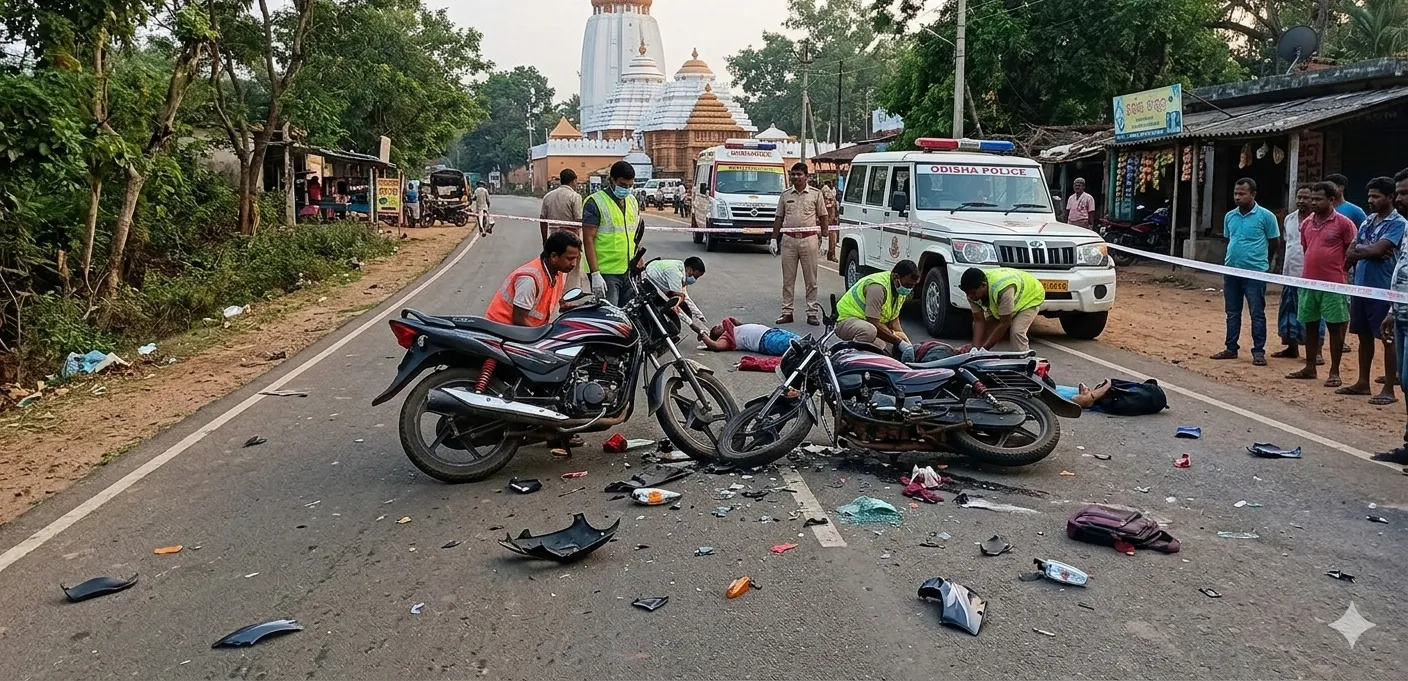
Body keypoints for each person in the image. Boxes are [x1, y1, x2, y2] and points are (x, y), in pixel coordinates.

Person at [1287, 181, 1357, 386]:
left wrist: (1341, 271)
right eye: (1313, 199)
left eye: (1318, 199)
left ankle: (1334, 372)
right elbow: (1306, 248)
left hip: (1333, 285)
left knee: (1335, 328)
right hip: (1309, 283)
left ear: (1331, 200)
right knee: (1310, 325)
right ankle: (1310, 367)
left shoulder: (1344, 223)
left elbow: (1351, 250)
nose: (1314, 203)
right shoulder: (1307, 223)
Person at [1341, 176, 1404, 404]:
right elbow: (1350, 252)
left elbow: (1379, 250)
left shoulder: (1398, 224)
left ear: (1390, 197)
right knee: (1364, 336)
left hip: (1384, 289)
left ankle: (1389, 388)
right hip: (1361, 286)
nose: (1370, 200)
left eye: (1376, 196)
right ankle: (1363, 382)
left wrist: (1365, 249)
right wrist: (1367, 249)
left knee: (1387, 338)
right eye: (1369, 196)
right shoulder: (1368, 221)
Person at [1212, 178, 1282, 366]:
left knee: (1256, 312)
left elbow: (1274, 242)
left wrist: (1265, 263)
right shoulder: (1230, 216)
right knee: (1232, 312)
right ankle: (1230, 348)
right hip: (1231, 271)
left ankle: (1258, 351)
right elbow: (1229, 239)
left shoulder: (1266, 217)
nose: (1237, 197)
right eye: (1235, 193)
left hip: (1255, 273)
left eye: (1242, 194)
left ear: (1253, 194)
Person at [1372, 167, 1408, 465]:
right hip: (1401, 315)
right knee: (1406, 381)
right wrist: (1392, 310)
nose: (1400, 199)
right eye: (1399, 193)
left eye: (1405, 193)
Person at [484, 231, 582, 327]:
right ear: (553, 257)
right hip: (500, 329)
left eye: (576, 258)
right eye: (570, 259)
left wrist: (565, 306)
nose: (574, 264)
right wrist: (542, 335)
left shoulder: (559, 271)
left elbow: (548, 299)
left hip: (523, 330)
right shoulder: (529, 280)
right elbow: (519, 319)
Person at [772, 162, 830, 326]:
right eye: (793, 174)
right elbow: (779, 218)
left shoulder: (815, 194)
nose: (796, 177)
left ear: (806, 176)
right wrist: (773, 239)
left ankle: (812, 313)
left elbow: (824, 217)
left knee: (811, 279)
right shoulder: (785, 195)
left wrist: (825, 239)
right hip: (789, 240)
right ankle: (787, 312)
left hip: (809, 239)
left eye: (799, 174)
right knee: (788, 280)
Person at [582, 160, 645, 307]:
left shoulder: (632, 201)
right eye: (623, 185)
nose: (626, 189)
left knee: (630, 313)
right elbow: (588, 238)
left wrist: (639, 257)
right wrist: (595, 274)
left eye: (630, 185)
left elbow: (634, 233)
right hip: (605, 272)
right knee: (610, 315)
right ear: (612, 180)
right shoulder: (595, 202)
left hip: (628, 269)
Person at [1274, 186, 1325, 363]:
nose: (1301, 201)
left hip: (1311, 276)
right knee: (1289, 312)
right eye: (1299, 197)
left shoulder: (1318, 221)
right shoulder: (1289, 219)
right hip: (1290, 273)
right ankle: (1291, 347)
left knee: (1313, 314)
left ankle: (1317, 352)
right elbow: (1287, 244)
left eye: (1306, 198)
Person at [835, 259, 921, 359]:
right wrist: (898, 342)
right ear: (895, 277)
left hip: (865, 322)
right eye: (908, 285)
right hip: (845, 320)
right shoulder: (877, 287)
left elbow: (894, 322)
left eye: (912, 286)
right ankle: (850, 359)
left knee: (884, 348)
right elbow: (873, 322)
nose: (909, 289)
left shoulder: (899, 289)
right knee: (869, 332)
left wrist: (906, 342)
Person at [960, 266, 1046, 351]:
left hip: (1031, 296)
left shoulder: (1003, 290)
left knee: (1016, 331)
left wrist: (985, 349)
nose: (970, 296)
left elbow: (1005, 323)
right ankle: (974, 350)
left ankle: (1023, 357)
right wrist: (975, 349)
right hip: (1008, 297)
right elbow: (979, 320)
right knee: (986, 330)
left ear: (983, 285)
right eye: (967, 293)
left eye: (973, 293)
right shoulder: (972, 291)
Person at [541, 169, 586, 292]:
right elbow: (578, 220)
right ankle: (569, 294)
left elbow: (542, 220)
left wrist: (545, 240)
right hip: (571, 242)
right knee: (572, 271)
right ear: (574, 181)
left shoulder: (548, 196)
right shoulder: (575, 197)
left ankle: (554, 292)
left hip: (553, 239)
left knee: (554, 267)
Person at [644, 256, 707, 324]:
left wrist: (699, 314)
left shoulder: (679, 266)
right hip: (647, 285)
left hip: (652, 278)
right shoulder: (676, 274)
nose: (694, 280)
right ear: (689, 270)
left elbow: (685, 297)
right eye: (695, 277)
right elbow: (676, 301)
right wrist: (691, 323)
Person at [698, 317, 799, 356]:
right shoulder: (727, 339)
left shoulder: (735, 329)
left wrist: (731, 322)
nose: (719, 326)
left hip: (771, 332)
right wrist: (703, 334)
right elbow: (715, 346)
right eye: (716, 329)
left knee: (801, 340)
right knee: (795, 346)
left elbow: (738, 322)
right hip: (765, 341)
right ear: (718, 335)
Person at [822, 180, 840, 262]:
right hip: (824, 218)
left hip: (832, 219)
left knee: (833, 239)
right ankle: (822, 254)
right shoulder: (825, 191)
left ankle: (831, 254)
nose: (831, 184)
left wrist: (836, 216)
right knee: (823, 237)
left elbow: (835, 205)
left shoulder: (833, 192)